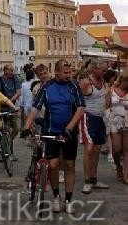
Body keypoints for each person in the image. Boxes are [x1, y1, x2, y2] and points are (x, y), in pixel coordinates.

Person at [22, 60, 86, 214]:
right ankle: (57, 196)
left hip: (69, 131)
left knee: (70, 165)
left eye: (70, 72)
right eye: (66, 73)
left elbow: (81, 108)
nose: (69, 75)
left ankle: (69, 199)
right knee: (54, 164)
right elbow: (36, 107)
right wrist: (26, 126)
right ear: (57, 72)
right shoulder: (47, 87)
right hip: (51, 129)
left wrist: (70, 128)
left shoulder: (74, 86)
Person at [79, 60, 109, 194]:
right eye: (103, 70)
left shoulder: (103, 82)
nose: (104, 72)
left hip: (100, 119)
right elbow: (77, 100)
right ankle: (86, 181)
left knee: (97, 149)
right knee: (89, 148)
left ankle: (94, 179)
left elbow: (105, 100)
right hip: (88, 117)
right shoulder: (86, 82)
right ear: (95, 69)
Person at [0, 65, 21, 158]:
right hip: (1, 108)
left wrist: (11, 101)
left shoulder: (14, 79)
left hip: (11, 107)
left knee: (16, 129)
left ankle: (8, 142)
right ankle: (8, 151)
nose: (12, 72)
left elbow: (18, 92)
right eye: (11, 70)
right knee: (6, 129)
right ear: (5, 70)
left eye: (13, 70)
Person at [106, 72, 128, 184]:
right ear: (122, 80)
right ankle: (118, 166)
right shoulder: (111, 90)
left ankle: (126, 174)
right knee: (117, 149)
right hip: (115, 121)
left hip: (127, 121)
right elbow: (106, 105)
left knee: (126, 149)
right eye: (126, 81)